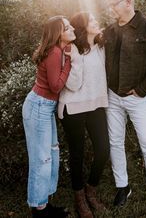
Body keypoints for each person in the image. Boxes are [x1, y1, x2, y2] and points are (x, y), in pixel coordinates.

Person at [104, 0, 146, 218]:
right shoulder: (110, 31)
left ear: (128, 2)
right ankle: (123, 186)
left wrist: (142, 90)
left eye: (114, 4)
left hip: (138, 99)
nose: (110, 9)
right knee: (115, 142)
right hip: (113, 96)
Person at [22, 16, 76, 218]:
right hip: (38, 107)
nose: (72, 29)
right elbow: (55, 86)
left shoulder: (58, 50)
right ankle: (39, 211)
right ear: (58, 34)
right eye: (67, 27)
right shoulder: (55, 52)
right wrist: (69, 61)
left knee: (51, 155)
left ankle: (43, 204)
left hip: (44, 107)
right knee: (41, 160)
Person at [58, 12, 109, 218]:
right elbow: (72, 84)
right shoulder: (71, 50)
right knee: (77, 154)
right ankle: (79, 198)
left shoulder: (101, 47)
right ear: (83, 26)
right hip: (73, 107)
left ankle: (91, 189)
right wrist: (77, 60)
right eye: (92, 20)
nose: (97, 22)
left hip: (95, 105)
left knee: (104, 149)